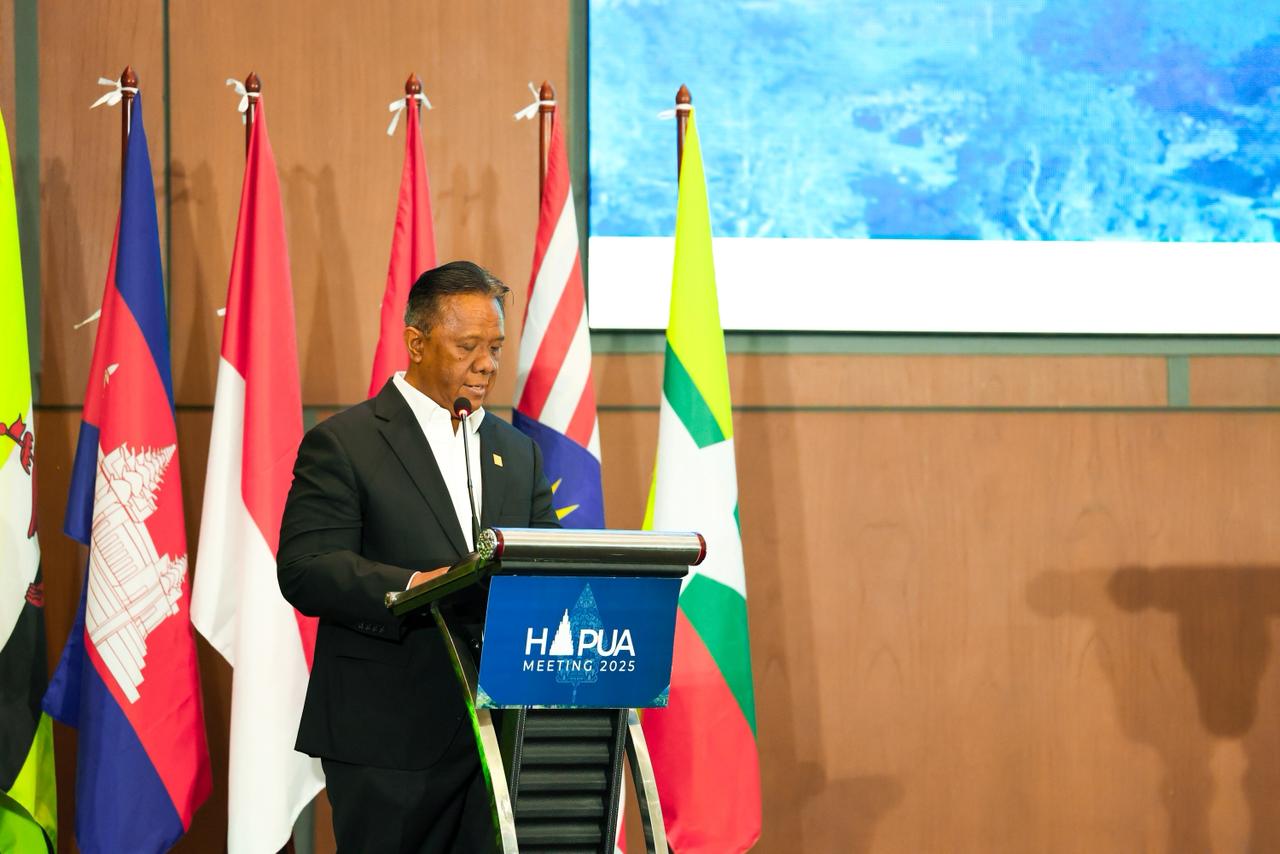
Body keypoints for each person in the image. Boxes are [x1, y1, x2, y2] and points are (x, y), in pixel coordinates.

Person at [278, 260, 559, 852]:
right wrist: (414, 584)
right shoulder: (345, 442)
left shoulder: (517, 452)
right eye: (467, 347)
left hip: (500, 737)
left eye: (495, 347)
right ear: (416, 343)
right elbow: (306, 568)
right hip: (389, 737)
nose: (487, 364)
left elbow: (548, 566)